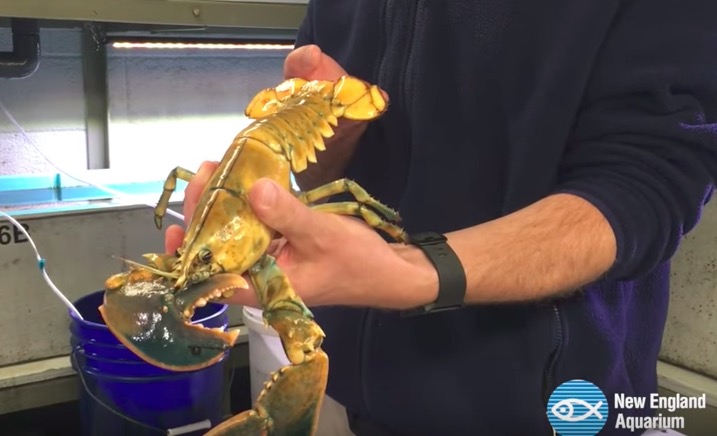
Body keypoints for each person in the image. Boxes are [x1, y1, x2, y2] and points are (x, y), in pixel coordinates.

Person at [165, 1, 717, 435]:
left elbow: (646, 183)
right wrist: (337, 139)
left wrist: (413, 269)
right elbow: (322, 176)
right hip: (353, 398)